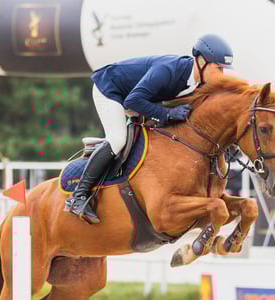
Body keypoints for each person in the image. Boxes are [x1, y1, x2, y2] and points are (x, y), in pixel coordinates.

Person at [64, 34, 235, 224]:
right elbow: (133, 101)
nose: (222, 74)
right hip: (111, 89)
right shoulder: (168, 70)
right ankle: (78, 196)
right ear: (201, 62)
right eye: (218, 68)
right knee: (118, 139)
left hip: (138, 97)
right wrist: (168, 114)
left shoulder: (199, 83)